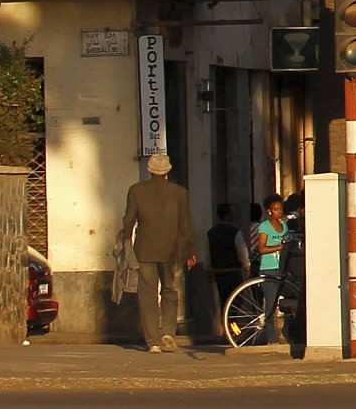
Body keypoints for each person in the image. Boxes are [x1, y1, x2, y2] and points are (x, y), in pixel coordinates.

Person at [120, 149, 199, 352]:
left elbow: (129, 220)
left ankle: (152, 341)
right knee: (170, 291)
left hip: (144, 249)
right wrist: (190, 251)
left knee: (147, 294)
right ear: (168, 171)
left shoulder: (136, 190)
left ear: (149, 170)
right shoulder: (180, 193)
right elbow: (186, 225)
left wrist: (125, 240)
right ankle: (168, 333)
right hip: (172, 250)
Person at [251, 195, 290, 341]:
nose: (279, 212)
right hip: (269, 268)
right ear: (269, 211)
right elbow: (261, 248)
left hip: (283, 267)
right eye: (276, 209)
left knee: (285, 303)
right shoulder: (264, 227)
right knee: (270, 305)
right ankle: (271, 338)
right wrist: (279, 247)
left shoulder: (283, 225)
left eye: (280, 209)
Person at [206, 203, 247, 338]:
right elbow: (242, 252)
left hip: (218, 272)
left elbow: (207, 253)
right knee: (234, 303)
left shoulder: (211, 233)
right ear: (229, 215)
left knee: (223, 302)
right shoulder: (235, 232)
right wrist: (246, 266)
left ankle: (224, 330)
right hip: (233, 271)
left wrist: (209, 268)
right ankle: (233, 330)